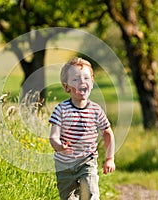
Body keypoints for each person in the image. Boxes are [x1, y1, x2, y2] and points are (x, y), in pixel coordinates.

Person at [49, 57, 116, 200]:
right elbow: (53, 136)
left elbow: (107, 133)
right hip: (64, 164)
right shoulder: (61, 110)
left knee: (90, 194)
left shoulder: (96, 111)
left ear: (91, 83)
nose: (82, 82)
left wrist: (110, 158)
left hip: (87, 161)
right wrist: (59, 146)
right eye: (76, 79)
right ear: (66, 87)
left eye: (86, 78)